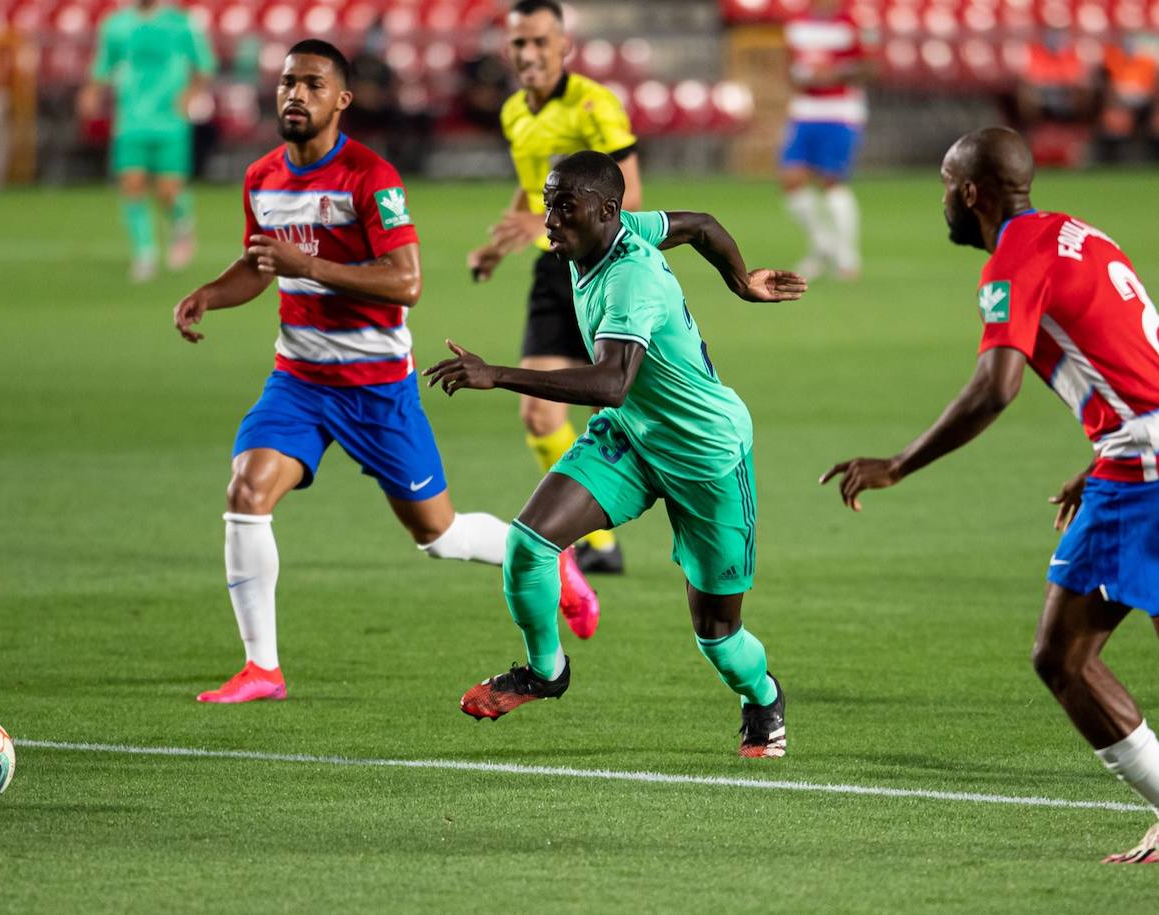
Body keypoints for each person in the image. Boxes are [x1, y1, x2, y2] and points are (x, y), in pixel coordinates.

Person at [171, 40, 597, 704]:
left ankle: (550, 559)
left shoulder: (371, 177)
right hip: (299, 381)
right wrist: (209, 293)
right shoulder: (262, 178)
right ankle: (263, 668)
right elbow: (260, 264)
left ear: (341, 100)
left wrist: (308, 266)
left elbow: (406, 282)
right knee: (247, 494)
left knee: (439, 535)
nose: (294, 94)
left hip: (376, 389)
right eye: (287, 82)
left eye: (312, 84)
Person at [820, 126, 1159, 863]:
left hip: (1145, 465)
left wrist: (900, 463)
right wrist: (1100, 452)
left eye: (946, 184)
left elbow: (995, 385)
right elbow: (1127, 353)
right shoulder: (1082, 234)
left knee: (1062, 657)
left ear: (970, 192)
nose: (941, 198)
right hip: (1137, 447)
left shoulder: (1015, 255)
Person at [426, 151, 807, 758]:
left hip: (704, 453)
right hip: (633, 434)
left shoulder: (632, 279)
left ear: (606, 212)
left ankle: (762, 697)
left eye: (563, 206)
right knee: (530, 544)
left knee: (718, 634)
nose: (548, 219)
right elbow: (701, 224)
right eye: (547, 203)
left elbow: (609, 383)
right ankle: (545, 672)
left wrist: (496, 374)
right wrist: (740, 281)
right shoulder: (614, 231)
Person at [466, 0, 642, 577]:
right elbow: (530, 188)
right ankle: (596, 543)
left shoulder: (594, 105)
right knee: (538, 417)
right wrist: (502, 240)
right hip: (552, 267)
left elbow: (630, 196)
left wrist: (555, 223)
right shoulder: (515, 111)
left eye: (541, 42)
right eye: (520, 44)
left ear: (563, 46)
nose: (530, 54)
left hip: (602, 267)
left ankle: (615, 505)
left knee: (624, 401)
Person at [78, 0, 216, 282]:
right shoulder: (116, 25)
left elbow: (204, 64)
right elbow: (104, 64)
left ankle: (181, 223)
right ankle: (145, 253)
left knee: (168, 190)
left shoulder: (180, 23)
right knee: (132, 185)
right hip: (130, 120)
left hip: (170, 120)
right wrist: (91, 92)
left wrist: (191, 94)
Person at [780, 0, 872, 281]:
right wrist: (800, 78)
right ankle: (823, 245)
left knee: (832, 181)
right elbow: (790, 66)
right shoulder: (798, 23)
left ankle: (847, 256)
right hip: (805, 110)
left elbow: (870, 67)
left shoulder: (853, 21)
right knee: (791, 179)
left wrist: (834, 75)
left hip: (840, 111)